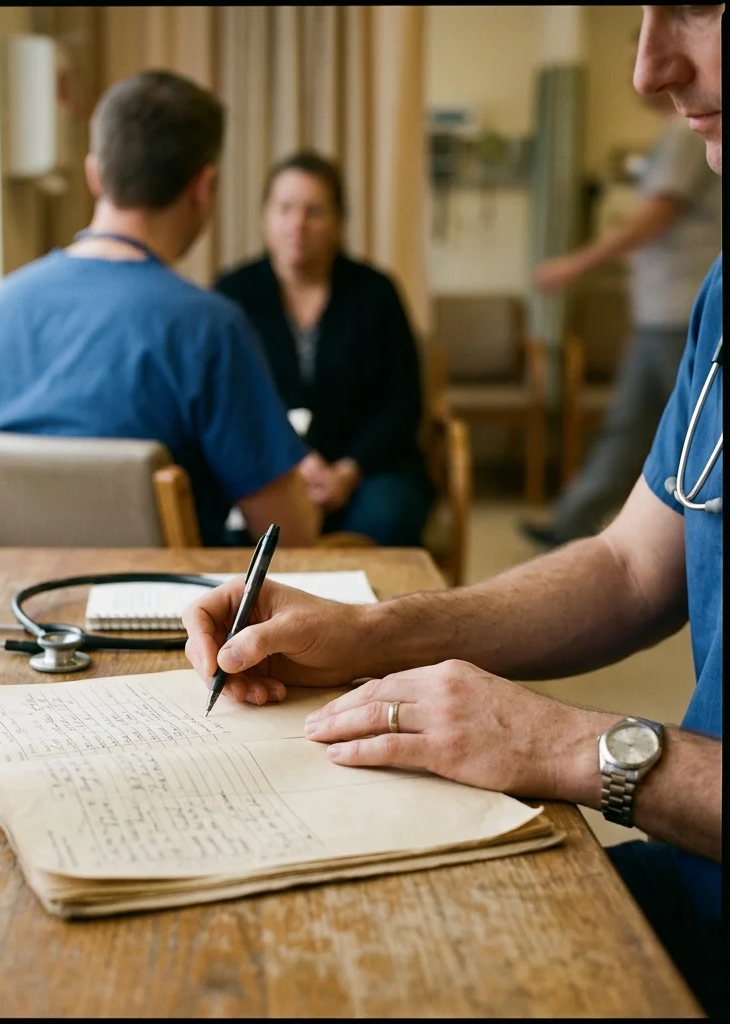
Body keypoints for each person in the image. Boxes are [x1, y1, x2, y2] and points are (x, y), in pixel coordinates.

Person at [182, 5, 722, 1015]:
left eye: (700, 7)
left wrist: (564, 745)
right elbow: (627, 566)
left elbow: (397, 414)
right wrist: (372, 634)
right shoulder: (722, 297)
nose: (649, 67)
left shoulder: (374, 295)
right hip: (684, 883)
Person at [0, 70, 318, 548]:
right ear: (204, 187)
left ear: (94, 175)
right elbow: (289, 537)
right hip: (166, 618)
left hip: (4, 610)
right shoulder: (208, 329)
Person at [521, 42, 721, 548]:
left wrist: (573, 266)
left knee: (670, 438)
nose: (643, 71)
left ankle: (619, 532)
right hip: (660, 314)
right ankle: (575, 523)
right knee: (630, 430)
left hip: (680, 316)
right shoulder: (671, 137)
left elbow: (650, 220)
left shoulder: (683, 134)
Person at [214, 151, 434, 547]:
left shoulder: (376, 292)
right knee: (233, 534)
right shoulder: (233, 295)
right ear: (266, 217)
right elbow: (229, 402)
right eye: (285, 209)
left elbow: (404, 402)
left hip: (369, 467)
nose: (297, 225)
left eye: (314, 211)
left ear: (338, 222)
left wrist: (348, 471)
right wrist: (293, 463)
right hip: (268, 469)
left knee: (385, 519)